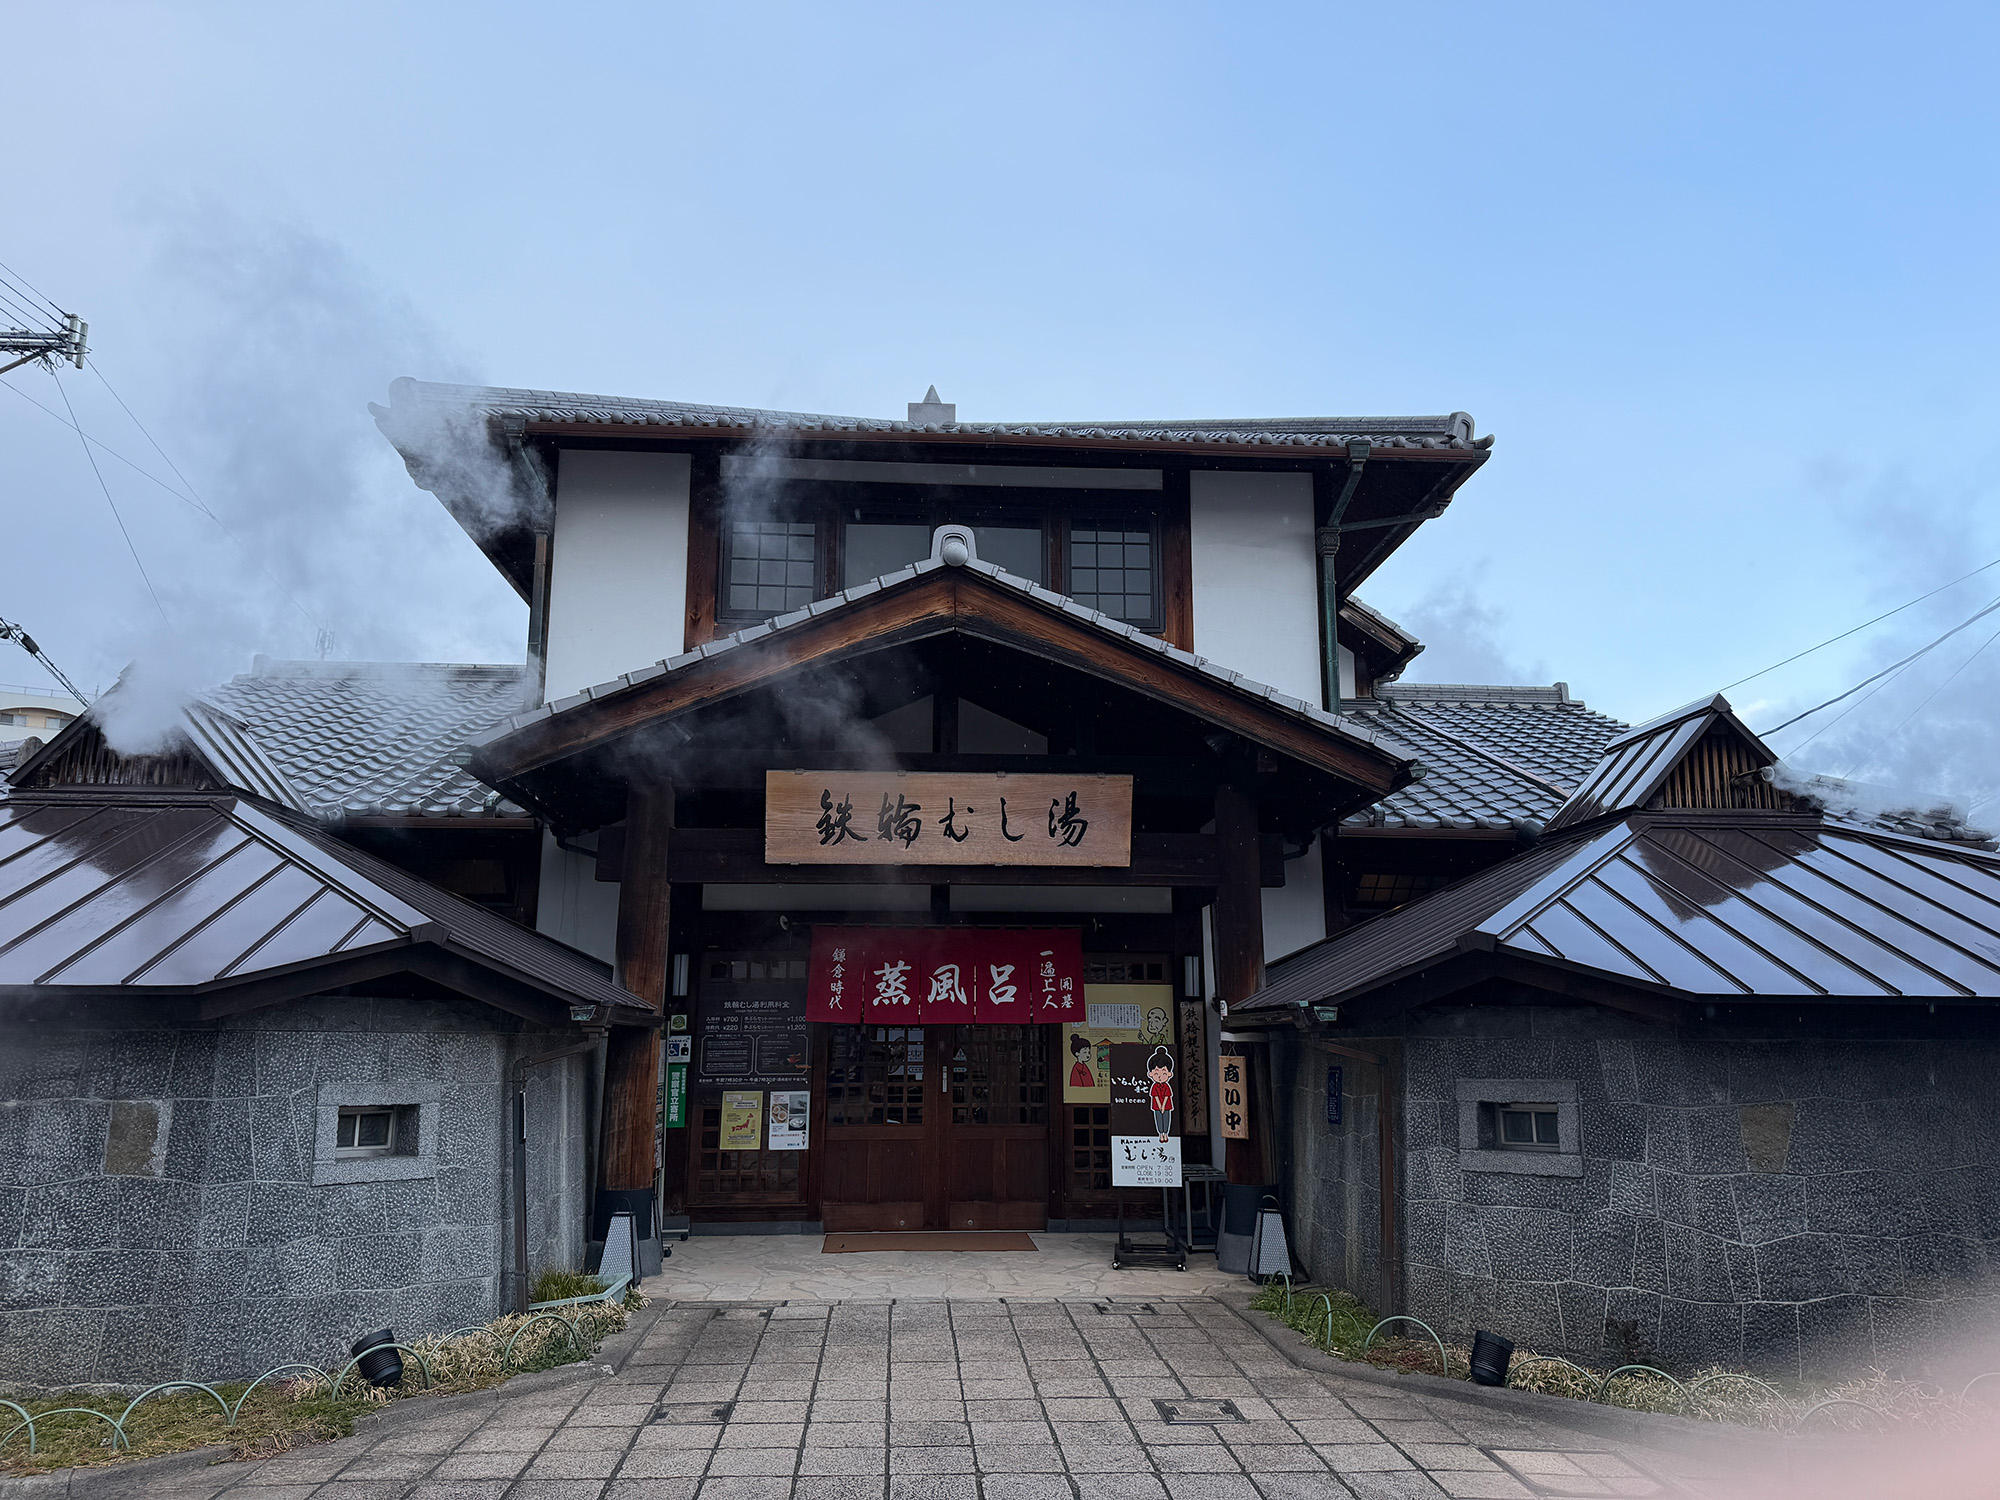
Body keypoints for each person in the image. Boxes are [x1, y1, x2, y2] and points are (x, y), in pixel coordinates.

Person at [1146, 1046, 1175, 1142]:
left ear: (1169, 1074)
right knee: (1158, 1119)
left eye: (1163, 1073)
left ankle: (1166, 1134)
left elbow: (1167, 1096)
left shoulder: (1167, 1086)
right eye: (1156, 1073)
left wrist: (1163, 1105)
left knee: (1166, 1119)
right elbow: (1155, 1096)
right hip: (1156, 1105)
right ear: (1151, 1074)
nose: (1159, 1077)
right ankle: (1161, 1134)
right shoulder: (1154, 1086)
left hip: (1166, 1105)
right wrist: (1159, 1105)